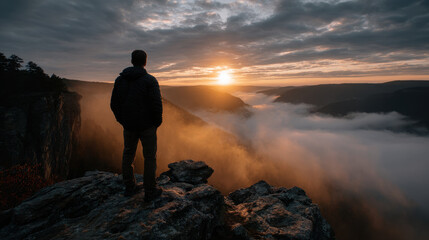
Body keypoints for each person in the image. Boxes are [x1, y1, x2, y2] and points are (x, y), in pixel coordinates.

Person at [110, 50, 163, 201]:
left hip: (129, 126)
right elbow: (156, 105)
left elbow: (114, 104)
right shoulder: (150, 80)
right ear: (145, 61)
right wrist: (156, 123)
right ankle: (150, 191)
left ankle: (129, 187)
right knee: (150, 158)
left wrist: (123, 120)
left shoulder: (120, 80)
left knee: (128, 154)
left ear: (132, 61)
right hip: (147, 126)